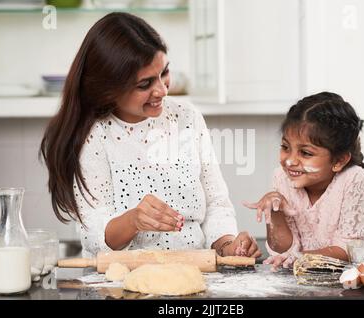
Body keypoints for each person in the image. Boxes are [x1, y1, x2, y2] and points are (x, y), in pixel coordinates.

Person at [40, 12, 261, 259]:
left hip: (192, 276)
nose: (161, 90)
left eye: (164, 72)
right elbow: (94, 235)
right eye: (144, 84)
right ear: (109, 89)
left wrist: (228, 246)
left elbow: (216, 205)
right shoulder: (95, 136)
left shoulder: (188, 118)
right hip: (119, 284)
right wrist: (133, 220)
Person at [243, 92, 364, 269]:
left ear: (338, 161)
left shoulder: (353, 179)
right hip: (309, 281)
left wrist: (298, 257)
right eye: (285, 147)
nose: (290, 161)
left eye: (305, 153)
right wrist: (275, 212)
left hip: (359, 281)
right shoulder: (282, 178)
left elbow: (348, 251)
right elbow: (282, 251)